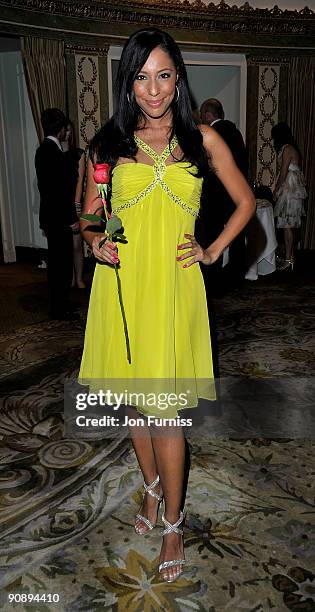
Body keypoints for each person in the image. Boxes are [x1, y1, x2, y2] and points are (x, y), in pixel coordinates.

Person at [79, 29, 255, 583]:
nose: (153, 90)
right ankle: (151, 489)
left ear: (178, 78)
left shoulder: (202, 140)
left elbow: (247, 201)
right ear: (127, 82)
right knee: (136, 404)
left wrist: (212, 250)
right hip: (124, 288)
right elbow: (88, 215)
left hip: (176, 291)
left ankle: (173, 523)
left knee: (166, 413)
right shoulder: (107, 146)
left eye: (163, 75)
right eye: (141, 76)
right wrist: (93, 241)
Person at [197, 98, 249, 292]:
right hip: (235, 192)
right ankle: (237, 277)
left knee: (211, 234)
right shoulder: (236, 132)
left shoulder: (210, 134)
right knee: (236, 236)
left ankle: (213, 278)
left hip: (215, 195)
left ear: (209, 115)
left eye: (203, 115)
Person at [35, 108, 80, 320]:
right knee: (60, 265)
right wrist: (71, 219)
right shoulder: (51, 152)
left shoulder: (44, 150)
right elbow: (60, 191)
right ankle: (59, 308)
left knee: (58, 264)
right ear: (61, 129)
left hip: (51, 216)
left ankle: (61, 304)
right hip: (58, 217)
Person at [271, 122, 307, 271]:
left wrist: (276, 190)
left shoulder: (287, 149)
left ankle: (288, 259)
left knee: (287, 226)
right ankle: (289, 257)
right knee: (288, 226)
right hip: (292, 188)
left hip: (289, 189)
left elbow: (284, 171)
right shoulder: (291, 148)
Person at [62, 120, 86, 289]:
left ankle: (78, 279)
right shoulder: (53, 153)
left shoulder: (78, 153)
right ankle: (68, 279)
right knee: (64, 246)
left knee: (77, 245)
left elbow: (80, 180)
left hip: (74, 202)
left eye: (70, 130)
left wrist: (77, 205)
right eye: (66, 130)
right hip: (60, 202)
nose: (68, 133)